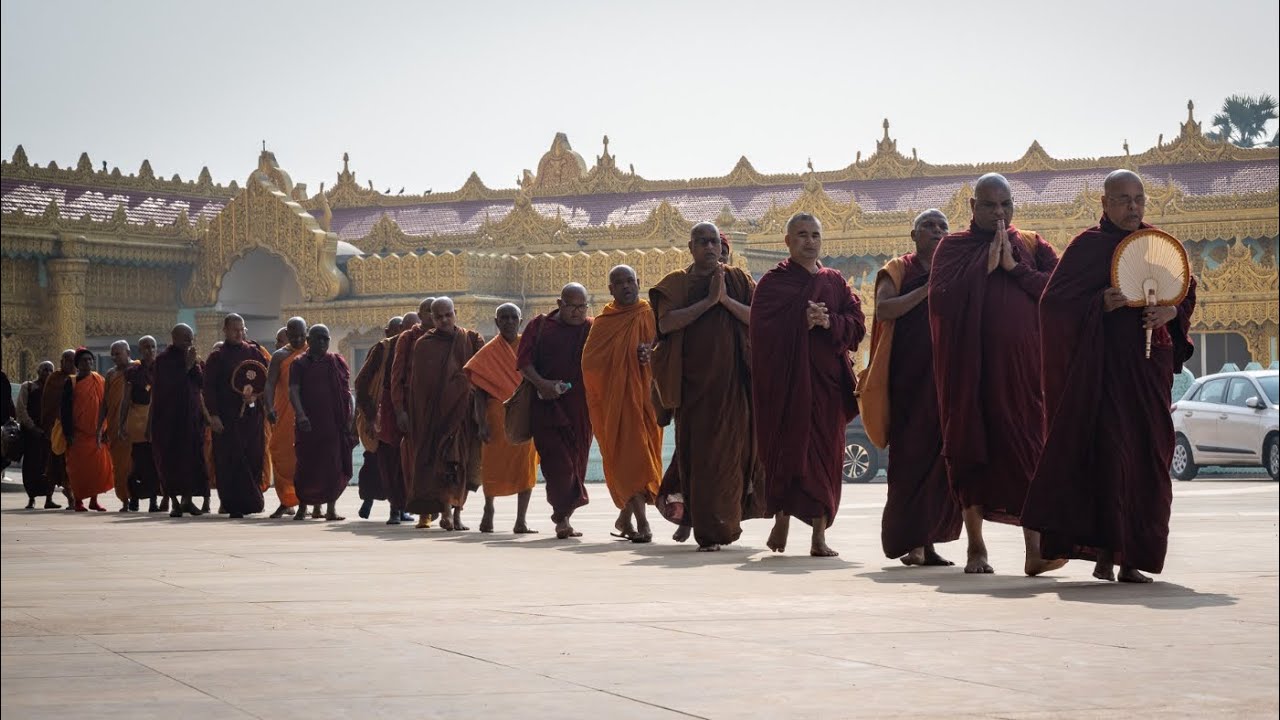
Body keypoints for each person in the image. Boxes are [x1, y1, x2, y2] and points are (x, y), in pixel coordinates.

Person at [1023, 170, 1198, 583]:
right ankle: (1106, 554)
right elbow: (1053, 305)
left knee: (1147, 462)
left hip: (1147, 374)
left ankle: (1133, 556)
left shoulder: (1157, 244)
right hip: (1102, 378)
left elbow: (1185, 288)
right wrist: (1098, 303)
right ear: (1104, 204)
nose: (1133, 207)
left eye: (1138, 198)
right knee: (1108, 462)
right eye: (1122, 199)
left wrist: (1171, 312)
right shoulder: (1088, 247)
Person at [928, 173, 1064, 575]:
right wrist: (983, 268)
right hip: (970, 373)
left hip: (1024, 375)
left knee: (1029, 454)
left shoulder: (1033, 246)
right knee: (971, 455)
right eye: (989, 205)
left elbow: (1060, 292)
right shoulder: (952, 249)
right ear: (972, 207)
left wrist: (1014, 268)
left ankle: (1035, 551)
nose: (999, 213)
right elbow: (939, 301)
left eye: (1005, 204)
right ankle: (976, 548)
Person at [751, 213, 866, 557]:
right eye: (801, 234)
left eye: (815, 234)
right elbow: (760, 331)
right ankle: (782, 517)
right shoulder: (773, 283)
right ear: (787, 242)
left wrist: (830, 321)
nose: (809, 241)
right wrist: (798, 320)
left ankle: (819, 535)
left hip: (826, 384)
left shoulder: (835, 282)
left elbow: (857, 325)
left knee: (824, 456)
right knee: (788, 452)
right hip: (788, 386)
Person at [652, 226, 766, 549]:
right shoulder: (678, 283)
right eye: (702, 242)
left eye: (714, 241)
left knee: (731, 460)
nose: (709, 247)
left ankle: (722, 526)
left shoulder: (739, 281)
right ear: (690, 247)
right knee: (700, 462)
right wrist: (707, 302)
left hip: (734, 390)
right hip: (694, 391)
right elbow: (666, 323)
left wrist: (725, 301)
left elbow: (757, 318)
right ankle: (707, 530)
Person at [862, 210, 961, 566]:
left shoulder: (954, 267)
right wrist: (926, 287)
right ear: (913, 234)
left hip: (945, 378)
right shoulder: (899, 269)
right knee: (911, 460)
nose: (936, 232)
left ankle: (930, 542)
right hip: (909, 379)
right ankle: (913, 543)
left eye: (942, 227)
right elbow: (886, 309)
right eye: (929, 227)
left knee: (942, 463)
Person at [582, 265, 662, 544]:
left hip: (647, 402)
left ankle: (625, 518)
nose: (626, 286)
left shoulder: (650, 314)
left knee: (640, 458)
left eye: (630, 281)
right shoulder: (604, 323)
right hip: (618, 404)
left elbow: (667, 349)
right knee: (633, 460)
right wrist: (620, 365)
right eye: (620, 283)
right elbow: (589, 364)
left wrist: (650, 353)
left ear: (639, 282)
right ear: (611, 289)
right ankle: (643, 525)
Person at [518, 283, 593, 539]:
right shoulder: (539, 327)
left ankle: (566, 517)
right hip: (547, 408)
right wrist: (543, 384)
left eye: (582, 306)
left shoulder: (591, 329)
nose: (577, 312)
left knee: (576, 464)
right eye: (572, 306)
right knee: (558, 466)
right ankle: (561, 518)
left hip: (580, 411)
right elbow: (524, 363)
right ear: (559, 304)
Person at [405, 298, 485, 530]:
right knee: (443, 467)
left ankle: (457, 514)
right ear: (431, 317)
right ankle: (446, 512)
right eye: (438, 316)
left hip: (464, 414)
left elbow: (480, 377)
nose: (444, 320)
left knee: (462, 464)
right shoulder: (424, 345)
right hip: (436, 417)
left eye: (448, 315)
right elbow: (419, 388)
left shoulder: (470, 339)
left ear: (455, 313)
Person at [463, 303, 539, 534]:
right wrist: (482, 423)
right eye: (503, 318)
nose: (508, 322)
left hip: (525, 415)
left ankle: (521, 520)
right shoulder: (489, 352)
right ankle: (488, 509)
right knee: (493, 466)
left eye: (512, 318)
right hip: (496, 417)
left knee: (525, 468)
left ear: (520, 320)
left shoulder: (529, 347)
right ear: (496, 322)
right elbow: (479, 393)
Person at [203, 314, 268, 519]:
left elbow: (263, 379)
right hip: (227, 417)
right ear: (225, 330)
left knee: (253, 456)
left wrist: (255, 397)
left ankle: (253, 501)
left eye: (242, 330)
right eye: (234, 330)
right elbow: (209, 388)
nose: (239, 333)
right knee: (230, 459)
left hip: (251, 416)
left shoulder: (253, 352)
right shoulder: (217, 356)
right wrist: (213, 416)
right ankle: (232, 504)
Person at [288, 324, 355, 521]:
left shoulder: (335, 362)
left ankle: (330, 509)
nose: (323, 342)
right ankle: (303, 507)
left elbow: (346, 391)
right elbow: (293, 390)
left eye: (326, 338)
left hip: (333, 424)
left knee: (332, 466)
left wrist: (349, 418)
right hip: (308, 424)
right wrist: (300, 415)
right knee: (306, 465)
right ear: (308, 341)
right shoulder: (299, 363)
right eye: (318, 338)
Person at [151, 324, 209, 518]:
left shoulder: (191, 358)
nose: (189, 343)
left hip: (191, 420)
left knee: (192, 461)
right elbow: (166, 387)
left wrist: (194, 366)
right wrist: (187, 366)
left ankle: (188, 500)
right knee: (172, 462)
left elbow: (200, 384)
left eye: (191, 339)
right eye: (186, 339)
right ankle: (175, 502)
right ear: (174, 338)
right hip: (170, 422)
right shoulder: (163, 360)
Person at [391, 299, 436, 528]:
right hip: (415, 409)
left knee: (443, 459)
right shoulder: (407, 339)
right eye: (428, 312)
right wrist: (400, 411)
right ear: (420, 315)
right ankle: (423, 511)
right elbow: (397, 377)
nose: (433, 316)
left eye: (437, 312)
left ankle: (446, 509)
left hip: (441, 409)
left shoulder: (452, 337)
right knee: (416, 461)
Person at [353, 315, 403, 520]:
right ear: (387, 331)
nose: (402, 333)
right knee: (378, 462)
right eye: (398, 329)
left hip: (401, 417)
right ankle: (385, 507)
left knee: (400, 465)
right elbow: (362, 383)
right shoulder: (382, 350)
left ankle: (398, 508)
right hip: (380, 415)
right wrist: (370, 415)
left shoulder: (414, 348)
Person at [377, 312, 418, 525]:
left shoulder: (422, 345)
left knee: (410, 464)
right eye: (409, 328)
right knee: (394, 463)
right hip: (392, 412)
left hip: (415, 411)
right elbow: (370, 381)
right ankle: (394, 509)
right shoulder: (387, 348)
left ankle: (405, 507)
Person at [62, 348, 114, 511]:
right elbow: (65, 410)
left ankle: (94, 500)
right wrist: (68, 433)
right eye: (84, 360)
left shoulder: (99, 380)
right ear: (77, 364)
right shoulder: (71, 382)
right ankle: (78, 500)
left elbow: (106, 406)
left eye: (90, 360)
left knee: (97, 469)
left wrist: (106, 429)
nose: (88, 363)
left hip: (97, 434)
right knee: (78, 470)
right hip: (78, 435)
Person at [265, 318, 306, 518]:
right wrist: (268, 407)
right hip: (283, 413)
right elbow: (270, 384)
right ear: (287, 336)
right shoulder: (280, 356)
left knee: (305, 459)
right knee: (282, 456)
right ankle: (286, 501)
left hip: (307, 413)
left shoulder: (312, 353)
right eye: (293, 336)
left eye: (302, 335)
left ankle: (308, 502)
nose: (298, 339)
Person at [119, 336, 164, 512]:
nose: (150, 350)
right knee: (138, 464)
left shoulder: (161, 368)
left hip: (157, 420)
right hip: (138, 419)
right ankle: (135, 499)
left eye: (153, 347)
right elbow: (125, 399)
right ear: (139, 351)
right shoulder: (133, 371)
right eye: (146, 347)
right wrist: (121, 424)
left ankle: (153, 501)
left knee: (154, 464)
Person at [16, 361, 60, 509]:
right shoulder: (28, 387)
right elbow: (21, 409)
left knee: (49, 465)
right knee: (31, 466)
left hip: (49, 434)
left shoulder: (54, 389)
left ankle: (49, 498)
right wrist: (32, 427)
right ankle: (31, 498)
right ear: (38, 370)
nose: (47, 372)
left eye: (50, 370)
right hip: (31, 434)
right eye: (44, 369)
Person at [102, 340, 139, 511]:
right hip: (115, 427)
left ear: (128, 352)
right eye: (113, 354)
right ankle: (125, 499)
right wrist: (100, 427)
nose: (114, 357)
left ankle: (138, 497)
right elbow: (105, 403)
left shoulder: (138, 368)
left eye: (118, 353)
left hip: (135, 425)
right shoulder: (110, 375)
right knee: (120, 466)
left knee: (135, 463)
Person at [40, 349, 76, 504]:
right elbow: (47, 404)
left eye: (72, 360)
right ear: (61, 362)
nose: (69, 363)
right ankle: (49, 497)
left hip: (74, 428)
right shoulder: (54, 379)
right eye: (66, 360)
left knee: (70, 465)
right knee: (54, 464)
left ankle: (72, 497)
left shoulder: (79, 379)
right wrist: (48, 426)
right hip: (56, 428)